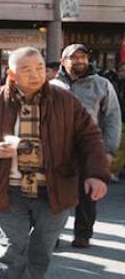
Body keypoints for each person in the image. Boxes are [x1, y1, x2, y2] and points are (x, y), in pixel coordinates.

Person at [0, 46, 109, 279]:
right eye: (27, 70)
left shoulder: (65, 101)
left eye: (40, 68)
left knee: (42, 248)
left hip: (53, 188)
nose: (35, 74)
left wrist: (96, 174)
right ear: (12, 74)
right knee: (10, 247)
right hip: (7, 188)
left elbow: (89, 137)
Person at [50, 44, 120, 248]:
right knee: (55, 194)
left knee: (87, 195)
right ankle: (51, 235)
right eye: (74, 58)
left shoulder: (102, 85)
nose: (80, 61)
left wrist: (108, 150)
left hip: (89, 148)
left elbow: (113, 118)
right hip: (58, 148)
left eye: (83, 57)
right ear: (63, 61)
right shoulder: (53, 86)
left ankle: (83, 234)